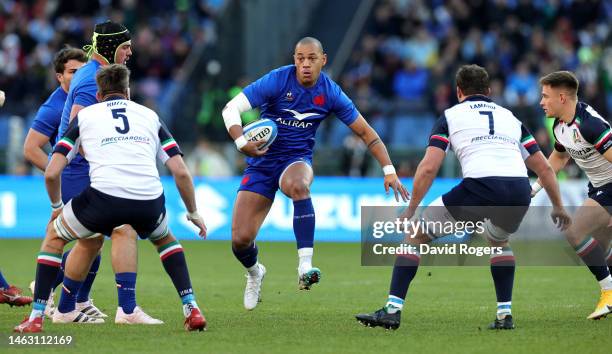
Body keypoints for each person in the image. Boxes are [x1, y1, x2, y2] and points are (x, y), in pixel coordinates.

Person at [355, 64, 571, 330]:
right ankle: (504, 316)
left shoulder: (450, 115)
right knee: (498, 241)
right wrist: (559, 207)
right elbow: (545, 169)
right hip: (517, 190)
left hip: (479, 186)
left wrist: (411, 210)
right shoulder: (511, 118)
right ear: (489, 92)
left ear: (459, 91)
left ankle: (392, 310)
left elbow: (428, 167)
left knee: (415, 236)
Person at [14, 64, 208, 333]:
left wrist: (57, 207)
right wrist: (193, 212)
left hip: (103, 198)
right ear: (127, 92)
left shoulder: (85, 116)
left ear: (97, 95)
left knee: (54, 237)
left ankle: (36, 316)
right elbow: (181, 172)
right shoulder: (149, 115)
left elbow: (52, 172)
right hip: (149, 199)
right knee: (165, 240)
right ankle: (192, 308)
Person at [222, 37, 408, 310]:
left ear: (324, 59)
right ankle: (254, 273)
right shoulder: (277, 80)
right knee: (240, 240)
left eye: (311, 58)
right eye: (300, 58)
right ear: (294, 59)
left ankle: (304, 266)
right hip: (261, 161)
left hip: (296, 159)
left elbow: (366, 133)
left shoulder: (330, 92)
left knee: (299, 185)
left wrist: (389, 169)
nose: (305, 64)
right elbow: (231, 109)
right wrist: (242, 143)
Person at [23, 46, 105, 319]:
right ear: (59, 76)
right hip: (72, 176)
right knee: (90, 239)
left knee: (96, 239)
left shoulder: (88, 95)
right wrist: (56, 170)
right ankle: (45, 291)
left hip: (89, 174)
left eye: (82, 71)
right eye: (72, 72)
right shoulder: (55, 106)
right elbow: (31, 148)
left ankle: (80, 301)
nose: (78, 76)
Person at [532, 70, 612, 320]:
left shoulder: (590, 124)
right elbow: (558, 158)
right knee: (603, 249)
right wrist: (533, 189)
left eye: (545, 96)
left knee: (573, 231)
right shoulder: (560, 127)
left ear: (562, 97)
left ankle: (609, 292)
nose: (541, 102)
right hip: (598, 186)